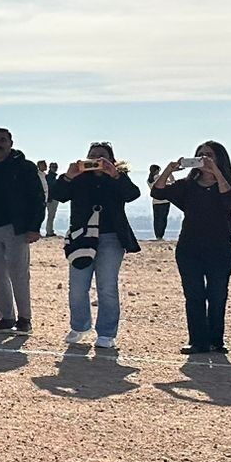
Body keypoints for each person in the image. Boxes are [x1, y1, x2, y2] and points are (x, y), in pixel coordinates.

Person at [151, 143, 231, 355]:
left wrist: (215, 172)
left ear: (219, 158)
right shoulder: (187, 186)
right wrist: (170, 169)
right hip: (190, 248)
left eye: (209, 155)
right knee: (194, 295)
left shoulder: (226, 185)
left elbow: (230, 204)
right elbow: (158, 192)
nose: (204, 158)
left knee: (217, 295)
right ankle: (197, 341)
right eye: (200, 155)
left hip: (219, 249)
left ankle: (216, 341)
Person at [54, 144, 142, 350]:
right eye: (92, 156)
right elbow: (58, 195)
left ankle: (106, 333)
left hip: (111, 237)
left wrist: (115, 175)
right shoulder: (78, 178)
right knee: (77, 286)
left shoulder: (117, 178)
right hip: (81, 237)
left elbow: (132, 194)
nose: (97, 159)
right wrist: (68, 176)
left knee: (107, 286)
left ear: (112, 159)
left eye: (102, 156)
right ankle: (79, 326)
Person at [0, 128, 45, 335]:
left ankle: (24, 320)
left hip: (16, 229)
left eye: (2, 140)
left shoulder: (25, 167)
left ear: (11, 143)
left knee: (19, 275)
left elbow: (38, 198)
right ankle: (6, 319)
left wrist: (34, 227)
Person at [149, 164, 170, 240]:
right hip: (164, 201)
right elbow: (171, 182)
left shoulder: (149, 180)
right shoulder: (160, 177)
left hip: (155, 202)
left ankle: (157, 235)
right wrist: (170, 173)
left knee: (157, 219)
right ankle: (160, 235)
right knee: (163, 219)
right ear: (157, 170)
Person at [42, 161, 60, 235]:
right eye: (53, 167)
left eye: (56, 167)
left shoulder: (48, 177)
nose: (55, 169)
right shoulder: (50, 177)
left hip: (49, 198)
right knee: (50, 216)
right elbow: (49, 188)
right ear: (50, 168)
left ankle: (49, 231)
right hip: (51, 199)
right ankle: (49, 231)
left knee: (50, 216)